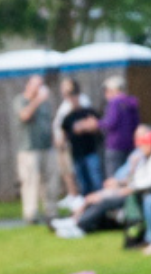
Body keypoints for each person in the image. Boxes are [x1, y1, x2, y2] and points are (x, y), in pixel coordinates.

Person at [68, 121, 151, 236]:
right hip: (128, 188)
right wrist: (123, 180)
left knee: (102, 201)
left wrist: (129, 186)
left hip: (138, 191)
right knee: (93, 197)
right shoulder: (141, 156)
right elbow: (132, 178)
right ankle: (74, 221)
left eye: (143, 141)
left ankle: (79, 225)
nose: (140, 144)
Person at [13, 76, 54, 223]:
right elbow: (24, 116)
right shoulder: (21, 100)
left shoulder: (46, 103)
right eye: (37, 85)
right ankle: (31, 214)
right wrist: (36, 101)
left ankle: (51, 212)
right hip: (29, 149)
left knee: (49, 181)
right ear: (29, 85)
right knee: (30, 181)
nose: (40, 88)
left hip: (46, 147)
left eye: (41, 84)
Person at [58, 79, 105, 195]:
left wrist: (85, 127)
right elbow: (64, 133)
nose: (73, 100)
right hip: (76, 153)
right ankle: (87, 205)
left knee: (96, 179)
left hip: (90, 151)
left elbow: (98, 128)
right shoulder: (68, 117)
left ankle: (100, 204)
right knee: (83, 181)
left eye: (75, 97)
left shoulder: (89, 112)